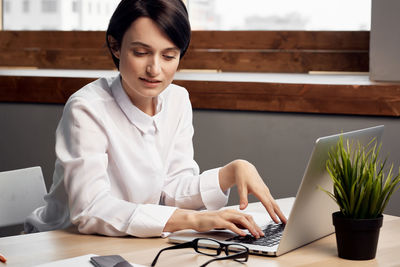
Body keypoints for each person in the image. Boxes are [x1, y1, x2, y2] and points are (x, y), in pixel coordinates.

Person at [25, 0, 286, 238]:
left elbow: (173, 191)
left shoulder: (177, 99)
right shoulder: (87, 108)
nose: (155, 69)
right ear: (115, 46)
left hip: (129, 243)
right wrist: (194, 220)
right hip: (62, 243)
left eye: (169, 56)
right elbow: (90, 208)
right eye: (140, 52)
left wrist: (229, 173)